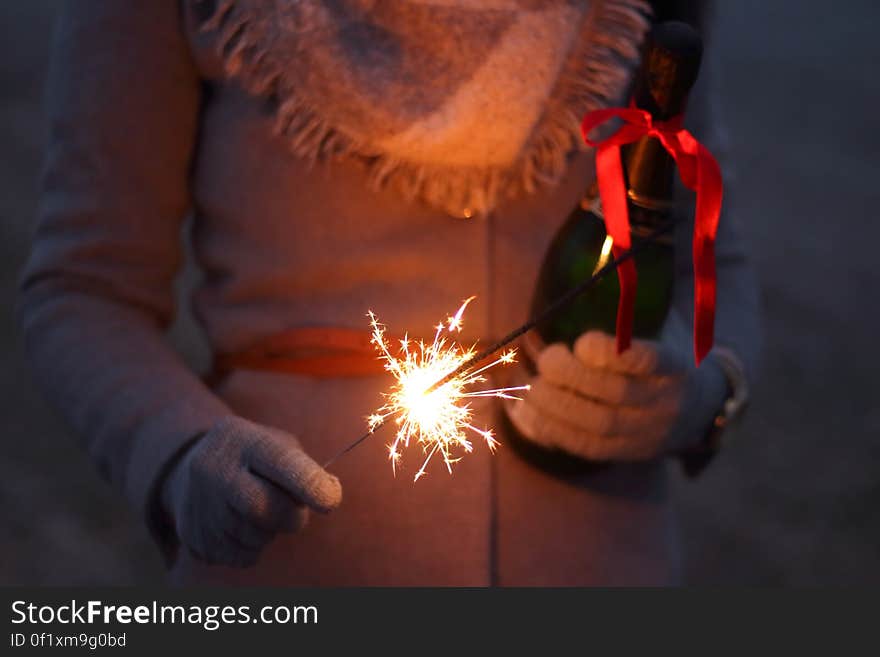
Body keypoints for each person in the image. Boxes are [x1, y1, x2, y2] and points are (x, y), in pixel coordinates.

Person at [19, 0, 760, 585]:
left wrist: (702, 391)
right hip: (296, 573)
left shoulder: (642, 13)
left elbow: (712, 256)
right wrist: (179, 447)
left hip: (601, 569)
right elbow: (84, 288)